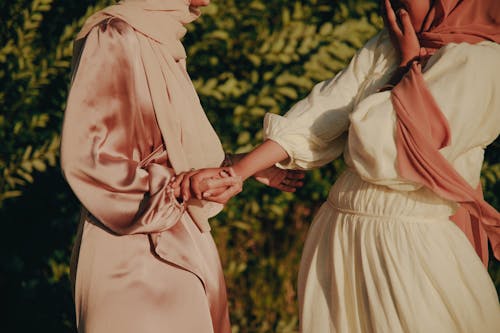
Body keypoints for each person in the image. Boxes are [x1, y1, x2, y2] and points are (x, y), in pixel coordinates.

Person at [187, 0, 500, 331]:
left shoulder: (482, 62)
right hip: (342, 233)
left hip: (409, 241)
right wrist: (239, 171)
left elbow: (384, 148)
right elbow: (326, 109)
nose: (394, 8)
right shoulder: (392, 43)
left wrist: (410, 66)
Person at [60, 0, 303, 332]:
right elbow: (90, 157)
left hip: (182, 236)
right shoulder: (114, 34)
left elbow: (167, 146)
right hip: (131, 249)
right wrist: (177, 187)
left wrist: (235, 166)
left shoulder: (162, 40)